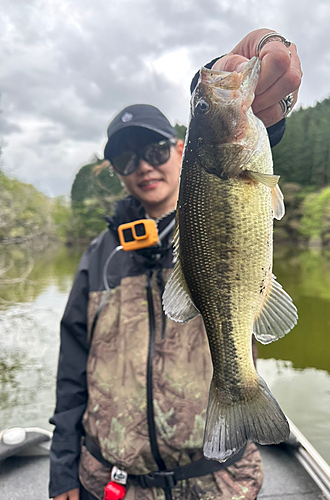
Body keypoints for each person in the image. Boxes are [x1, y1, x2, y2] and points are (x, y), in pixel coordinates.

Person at [49, 28, 302, 500]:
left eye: (156, 150)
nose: (143, 165)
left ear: (183, 149)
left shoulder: (221, 175)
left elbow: (242, 138)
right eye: (127, 158)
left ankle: (237, 390)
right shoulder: (98, 258)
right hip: (110, 482)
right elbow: (70, 373)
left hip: (216, 481)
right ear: (117, 173)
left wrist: (253, 95)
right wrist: (62, 474)